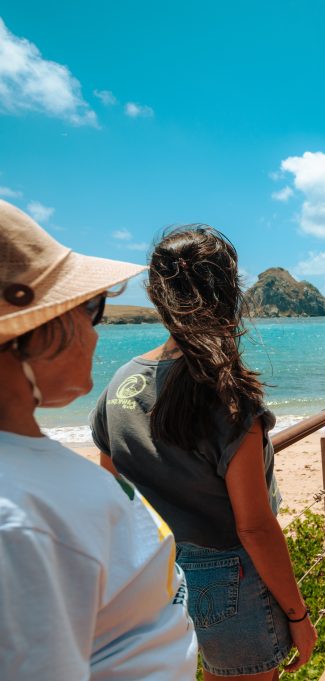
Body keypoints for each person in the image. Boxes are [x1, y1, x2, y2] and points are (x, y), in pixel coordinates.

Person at [90, 226, 317, 680]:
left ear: (159, 296)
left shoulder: (118, 385)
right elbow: (253, 525)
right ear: (231, 294)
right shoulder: (230, 398)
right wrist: (297, 615)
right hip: (228, 576)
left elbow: (115, 499)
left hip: (151, 573)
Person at [0, 200, 198, 678]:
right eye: (90, 307)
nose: (94, 329)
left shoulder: (25, 485)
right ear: (27, 332)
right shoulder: (18, 526)